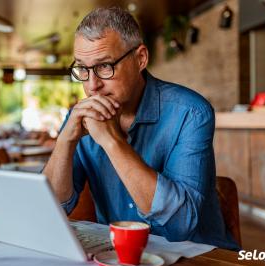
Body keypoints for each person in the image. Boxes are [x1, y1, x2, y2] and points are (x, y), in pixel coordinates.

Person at [43, 7, 239, 250]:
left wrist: (112, 142)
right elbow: (50, 210)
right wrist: (64, 142)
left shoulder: (190, 112)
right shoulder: (80, 118)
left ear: (140, 59)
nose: (92, 85)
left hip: (198, 258)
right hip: (121, 257)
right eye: (82, 68)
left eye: (105, 66)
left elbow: (180, 226)